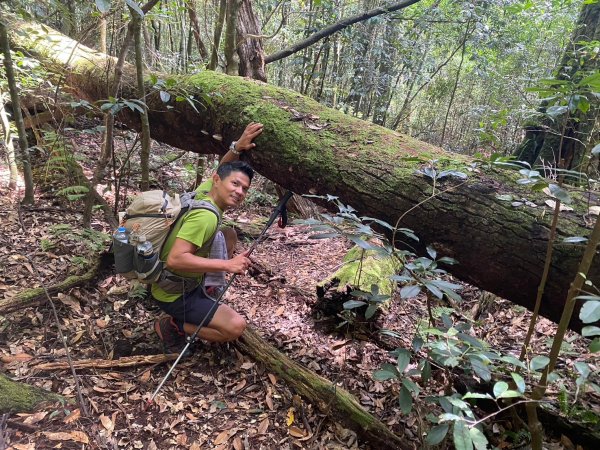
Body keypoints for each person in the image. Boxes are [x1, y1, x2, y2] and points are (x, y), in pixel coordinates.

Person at [152, 122, 263, 353]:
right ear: (217, 181)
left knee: (229, 234)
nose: (240, 192)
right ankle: (174, 325)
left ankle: (207, 290)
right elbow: (176, 259)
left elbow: (223, 168)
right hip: (174, 293)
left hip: (170, 279)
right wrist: (227, 265)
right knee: (235, 327)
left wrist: (237, 147)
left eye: (245, 188)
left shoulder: (205, 193)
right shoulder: (205, 218)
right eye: (235, 184)